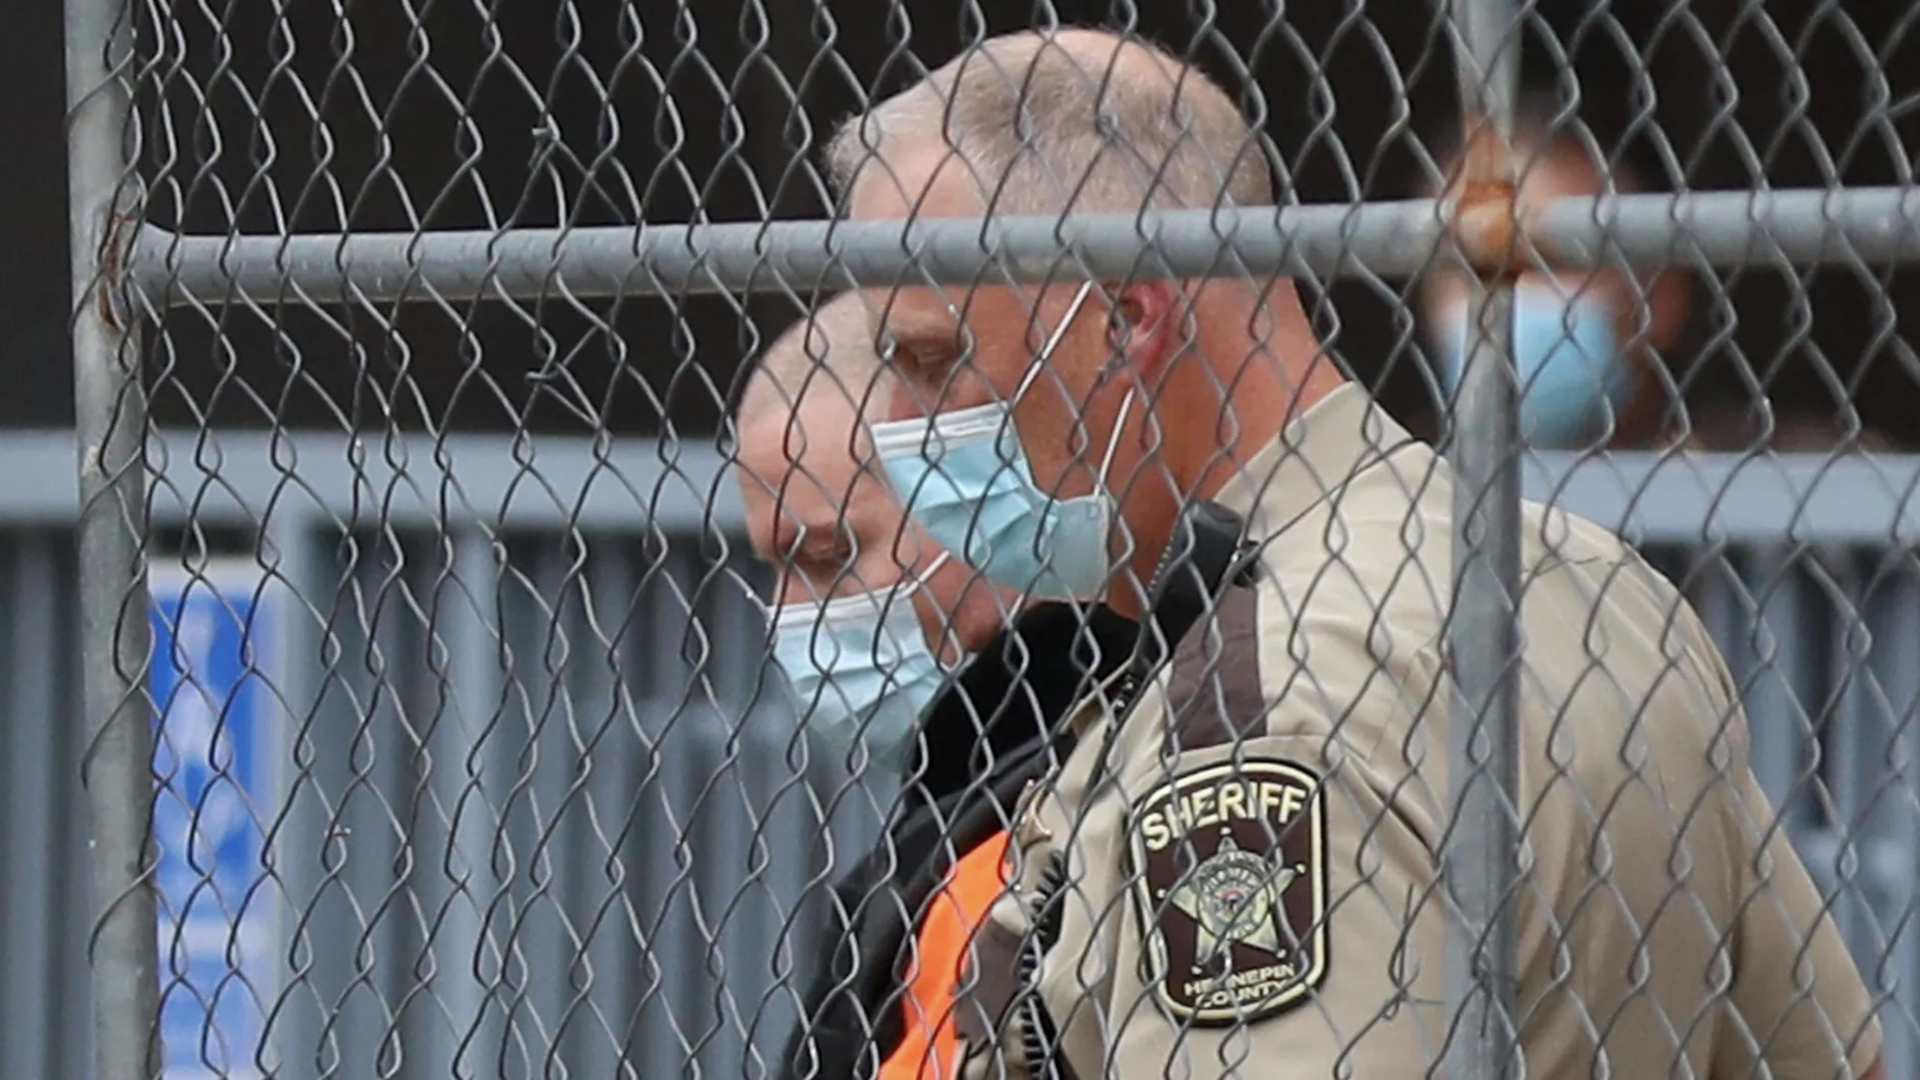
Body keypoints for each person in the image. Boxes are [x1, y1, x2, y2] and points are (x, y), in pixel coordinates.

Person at [823, 26, 1885, 1080]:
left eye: (929, 358)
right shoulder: (1597, 583)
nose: (899, 428)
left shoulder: (1265, 698)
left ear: (1122, 319)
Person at [729, 293, 1141, 1080]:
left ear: (966, 499)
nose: (788, 614)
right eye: (773, 569)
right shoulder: (947, 822)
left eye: (826, 554)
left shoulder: (1073, 802)